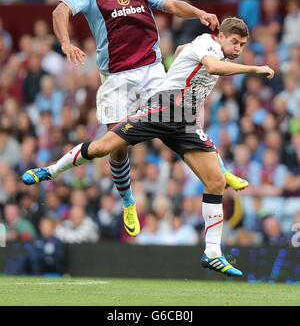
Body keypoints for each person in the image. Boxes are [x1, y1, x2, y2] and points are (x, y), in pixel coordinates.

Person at [22, 17, 275, 276]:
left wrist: (182, 59)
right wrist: (255, 69)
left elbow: (181, 51)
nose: (238, 49)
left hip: (184, 120)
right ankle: (51, 171)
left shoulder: (200, 46)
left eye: (242, 45)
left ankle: (212, 253)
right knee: (102, 148)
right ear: (220, 36)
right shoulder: (209, 46)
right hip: (163, 109)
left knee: (215, 182)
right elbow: (212, 67)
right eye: (234, 42)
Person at [50, 0, 245, 237]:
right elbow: (60, 10)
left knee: (183, 120)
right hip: (116, 77)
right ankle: (129, 202)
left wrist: (199, 13)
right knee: (116, 146)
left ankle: (220, 169)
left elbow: (172, 5)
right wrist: (66, 43)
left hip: (152, 70)